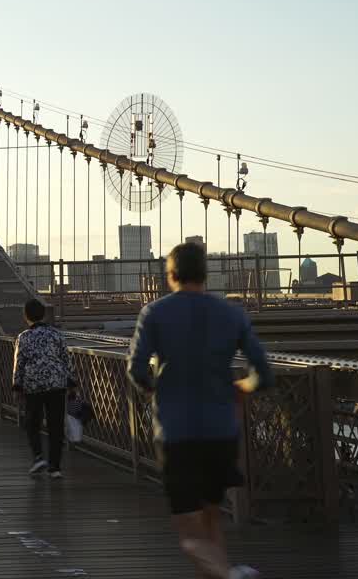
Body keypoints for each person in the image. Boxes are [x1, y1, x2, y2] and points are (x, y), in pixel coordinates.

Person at [129, 242, 273, 579]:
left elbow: (136, 370)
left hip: (177, 432)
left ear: (171, 275)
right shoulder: (232, 313)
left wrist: (154, 389)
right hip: (221, 431)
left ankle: (230, 575)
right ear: (205, 274)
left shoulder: (155, 313)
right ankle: (226, 572)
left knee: (189, 535)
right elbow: (263, 374)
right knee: (211, 521)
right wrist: (241, 387)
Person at [11, 299, 73, 478]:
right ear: (44, 314)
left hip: (33, 385)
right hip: (56, 384)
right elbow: (66, 360)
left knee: (32, 422)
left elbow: (19, 363)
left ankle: (38, 457)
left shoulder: (24, 337)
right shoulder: (57, 334)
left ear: (26, 317)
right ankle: (55, 467)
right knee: (55, 425)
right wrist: (72, 382)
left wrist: (17, 385)